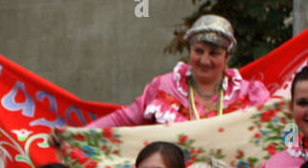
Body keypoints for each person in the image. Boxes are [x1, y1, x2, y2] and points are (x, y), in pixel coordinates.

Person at [88, 15, 271, 128]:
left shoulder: (248, 94)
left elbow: (277, 124)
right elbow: (124, 119)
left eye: (214, 53)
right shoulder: (165, 87)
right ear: (189, 51)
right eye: (198, 51)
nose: (204, 60)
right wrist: (76, 134)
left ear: (226, 57)